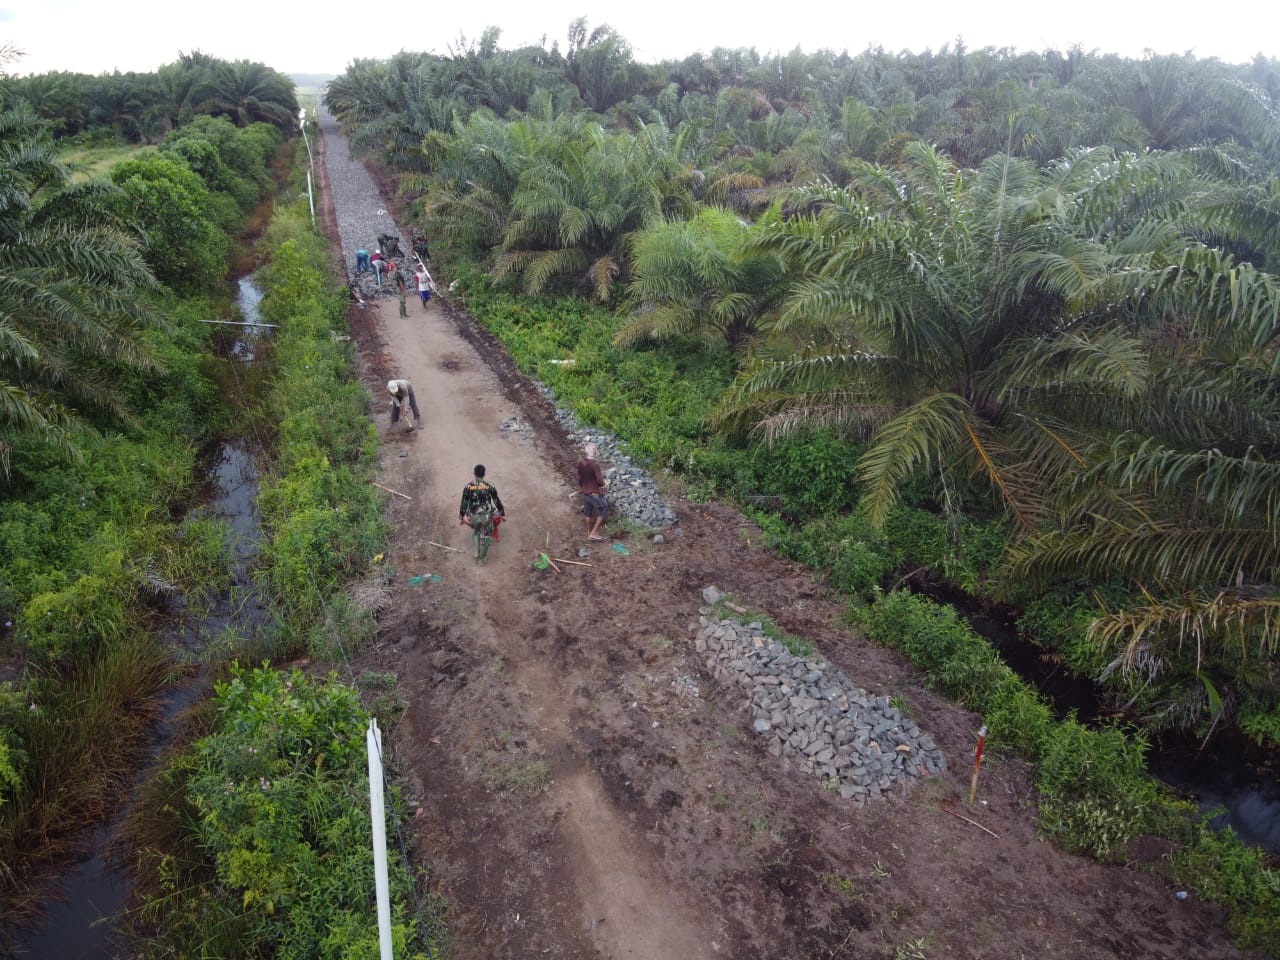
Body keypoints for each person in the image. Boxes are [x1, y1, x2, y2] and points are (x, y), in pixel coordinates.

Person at [459, 465, 506, 560]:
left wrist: (461, 517)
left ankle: (476, 551)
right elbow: (496, 501)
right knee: (486, 535)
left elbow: (464, 503)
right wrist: (502, 514)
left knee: (476, 532)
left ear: (474, 473)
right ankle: (482, 558)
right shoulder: (490, 486)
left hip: (474, 516)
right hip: (487, 517)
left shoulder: (468, 487)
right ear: (484, 474)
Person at [577, 442, 609, 540]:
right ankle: (594, 533)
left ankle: (589, 533)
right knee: (604, 509)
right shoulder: (595, 464)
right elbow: (600, 481)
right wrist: (605, 483)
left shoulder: (580, 463)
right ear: (595, 451)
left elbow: (579, 478)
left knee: (588, 513)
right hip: (594, 493)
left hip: (585, 493)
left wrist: (583, 487)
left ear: (586, 450)